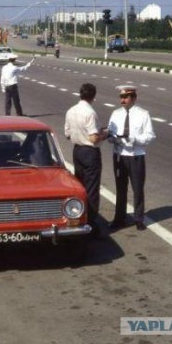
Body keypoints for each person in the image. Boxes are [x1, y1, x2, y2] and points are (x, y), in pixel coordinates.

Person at [107, 85, 156, 231]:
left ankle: (139, 218)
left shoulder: (143, 114)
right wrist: (114, 139)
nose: (123, 100)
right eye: (121, 97)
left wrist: (135, 139)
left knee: (138, 188)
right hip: (120, 155)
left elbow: (150, 135)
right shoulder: (115, 114)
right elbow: (109, 134)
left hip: (136, 156)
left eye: (126, 97)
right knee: (120, 188)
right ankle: (119, 218)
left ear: (133, 98)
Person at [64, 83, 108, 237]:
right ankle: (91, 223)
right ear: (93, 97)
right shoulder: (90, 113)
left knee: (80, 186)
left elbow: (67, 134)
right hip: (90, 152)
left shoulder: (71, 110)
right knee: (92, 190)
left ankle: (79, 216)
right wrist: (105, 134)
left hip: (77, 151)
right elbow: (94, 138)